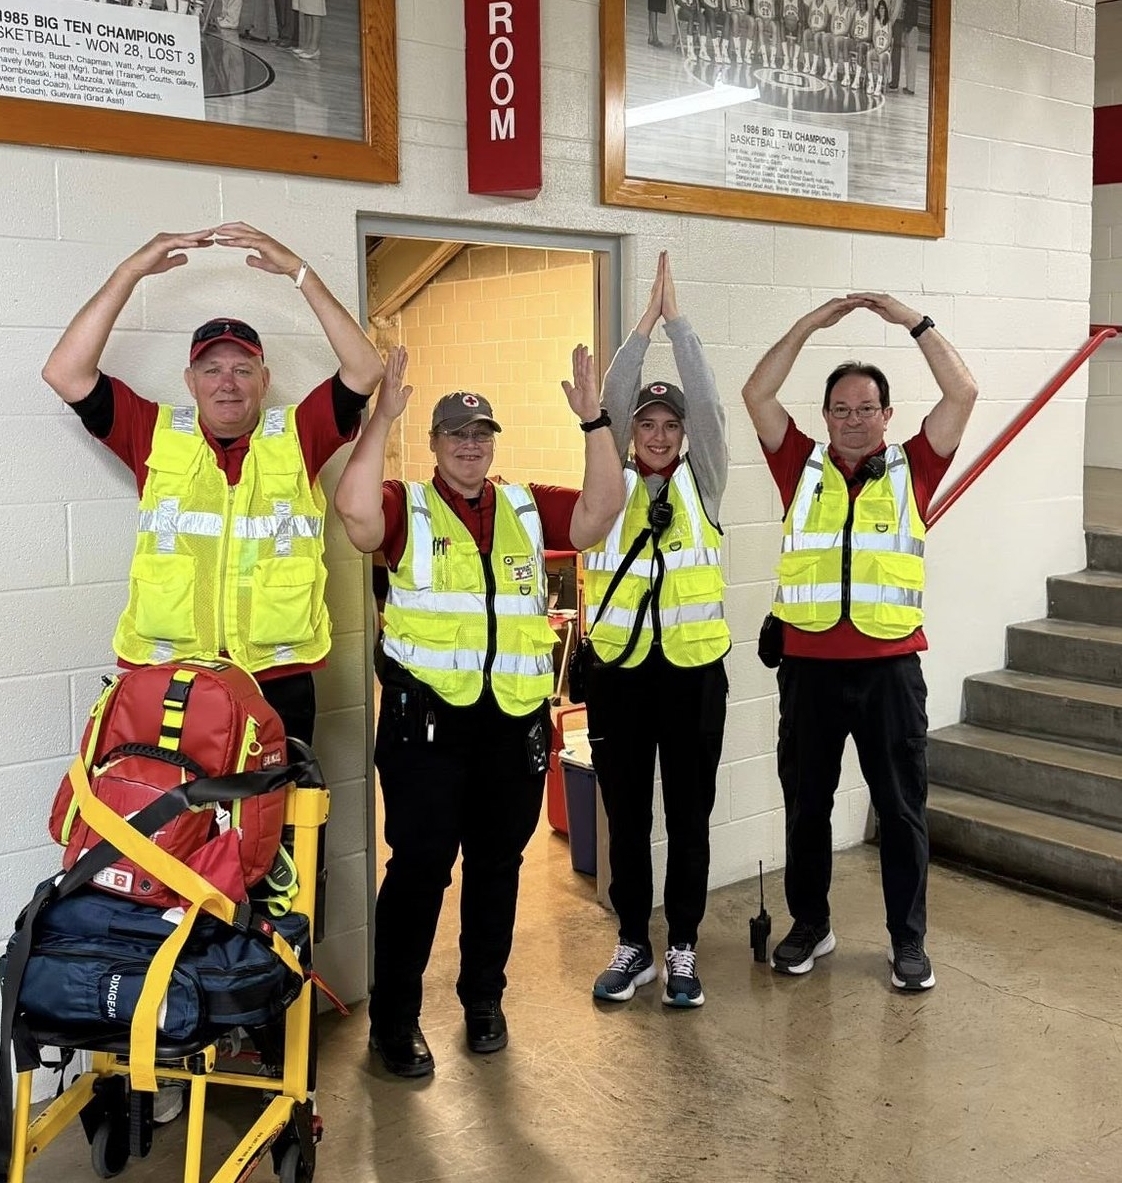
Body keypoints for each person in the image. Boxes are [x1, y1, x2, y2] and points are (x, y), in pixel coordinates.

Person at [333, 344, 625, 1079]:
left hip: (512, 727)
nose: (471, 444)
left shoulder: (526, 505)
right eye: (457, 434)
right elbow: (355, 513)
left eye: (481, 433)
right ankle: (394, 1023)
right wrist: (380, 421)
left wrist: (594, 419)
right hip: (425, 729)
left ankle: (483, 1000)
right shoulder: (408, 504)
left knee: (498, 869)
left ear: (493, 442)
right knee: (420, 872)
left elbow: (601, 511)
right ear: (433, 444)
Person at [41, 223, 385, 747]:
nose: (227, 382)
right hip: (170, 680)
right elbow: (64, 372)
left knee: (278, 825)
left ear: (265, 381)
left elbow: (364, 368)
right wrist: (130, 272)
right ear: (190, 381)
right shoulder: (152, 432)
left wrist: (299, 272)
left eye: (243, 370)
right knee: (173, 826)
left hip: (277, 681)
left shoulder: (298, 434)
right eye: (212, 369)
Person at [740, 293, 978, 992]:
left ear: (887, 415)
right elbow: (757, 390)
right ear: (825, 418)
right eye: (839, 409)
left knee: (902, 810)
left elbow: (963, 389)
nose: (852, 420)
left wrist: (911, 321)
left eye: (865, 408)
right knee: (805, 806)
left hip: (891, 671)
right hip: (809, 672)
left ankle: (908, 940)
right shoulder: (799, 468)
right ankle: (810, 923)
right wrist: (812, 322)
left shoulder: (916, 469)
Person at [587, 252, 730, 1010]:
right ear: (630, 431)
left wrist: (680, 323)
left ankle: (681, 946)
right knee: (629, 817)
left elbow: (707, 405)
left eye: (671, 425)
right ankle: (633, 943)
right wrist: (642, 325)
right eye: (648, 422)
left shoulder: (704, 478)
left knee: (689, 817)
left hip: (693, 675)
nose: (662, 433)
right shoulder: (608, 481)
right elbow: (609, 397)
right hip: (620, 676)